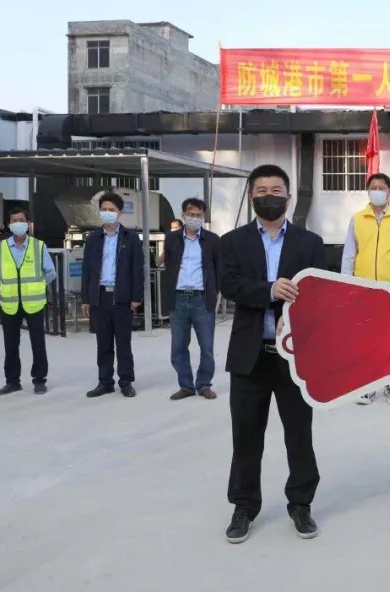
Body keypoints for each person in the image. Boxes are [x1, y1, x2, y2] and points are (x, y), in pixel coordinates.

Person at [220, 164, 327, 544]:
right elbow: (229, 284)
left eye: (276, 190)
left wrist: (297, 313)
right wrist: (269, 290)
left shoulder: (309, 243)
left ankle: (301, 504)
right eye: (262, 190)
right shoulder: (232, 242)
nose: (269, 196)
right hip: (249, 356)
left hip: (294, 357)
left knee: (299, 435)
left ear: (288, 196)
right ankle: (244, 506)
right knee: (246, 437)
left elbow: (321, 292)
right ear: (251, 196)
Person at [341, 172, 390, 406]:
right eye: (373, 187)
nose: (377, 191)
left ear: (389, 191)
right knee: (365, 338)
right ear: (368, 191)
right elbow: (349, 253)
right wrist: (345, 284)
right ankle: (368, 385)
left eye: (382, 188)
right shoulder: (357, 219)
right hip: (363, 287)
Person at [81, 192, 144, 398]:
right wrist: (86, 298)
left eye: (112, 210)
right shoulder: (93, 239)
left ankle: (126, 381)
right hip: (100, 297)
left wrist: (136, 297)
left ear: (120, 212)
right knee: (103, 343)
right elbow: (87, 270)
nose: (107, 213)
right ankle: (105, 381)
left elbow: (137, 270)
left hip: (122, 298)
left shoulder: (130, 238)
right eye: (104, 209)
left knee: (123, 343)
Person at [0, 208, 57, 396]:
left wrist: (36, 286)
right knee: (10, 345)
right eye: (14, 220)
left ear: (28, 223)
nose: (18, 223)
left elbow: (50, 272)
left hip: (34, 302)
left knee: (38, 343)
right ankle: (12, 381)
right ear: (9, 224)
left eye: (22, 220)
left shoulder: (38, 246)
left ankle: (39, 380)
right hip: (10, 303)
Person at [164, 197, 221, 401]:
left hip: (201, 299)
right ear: (183, 215)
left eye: (198, 215)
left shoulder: (213, 240)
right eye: (191, 214)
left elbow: (218, 268)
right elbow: (168, 265)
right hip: (179, 298)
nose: (194, 218)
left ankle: (204, 384)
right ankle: (186, 385)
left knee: (206, 346)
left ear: (203, 217)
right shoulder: (172, 239)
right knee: (178, 347)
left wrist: (214, 292)